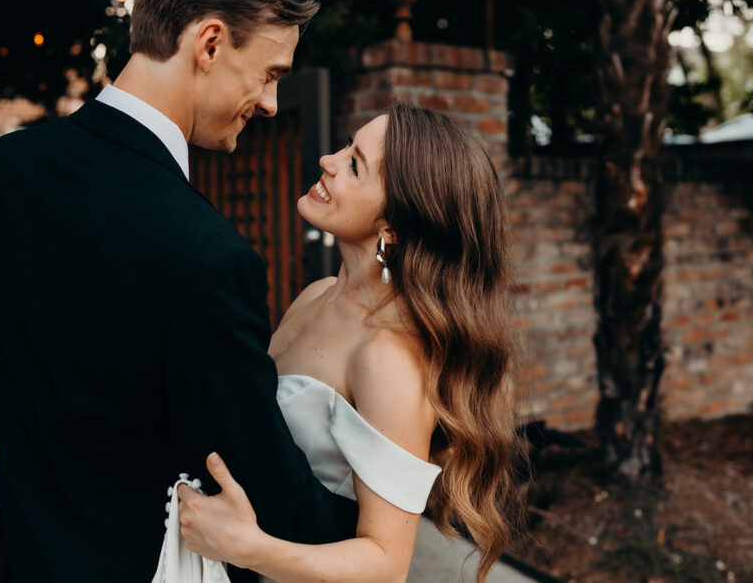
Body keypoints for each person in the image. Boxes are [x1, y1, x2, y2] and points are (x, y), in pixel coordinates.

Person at [0, 0, 357, 581]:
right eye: (271, 73)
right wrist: (377, 530)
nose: (271, 102)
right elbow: (267, 490)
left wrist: (44, 441)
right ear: (209, 43)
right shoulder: (209, 256)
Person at [177, 104, 522, 582]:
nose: (328, 160)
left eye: (354, 164)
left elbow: (386, 565)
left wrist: (249, 548)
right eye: (345, 145)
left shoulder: (388, 359)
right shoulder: (316, 294)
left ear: (394, 227)